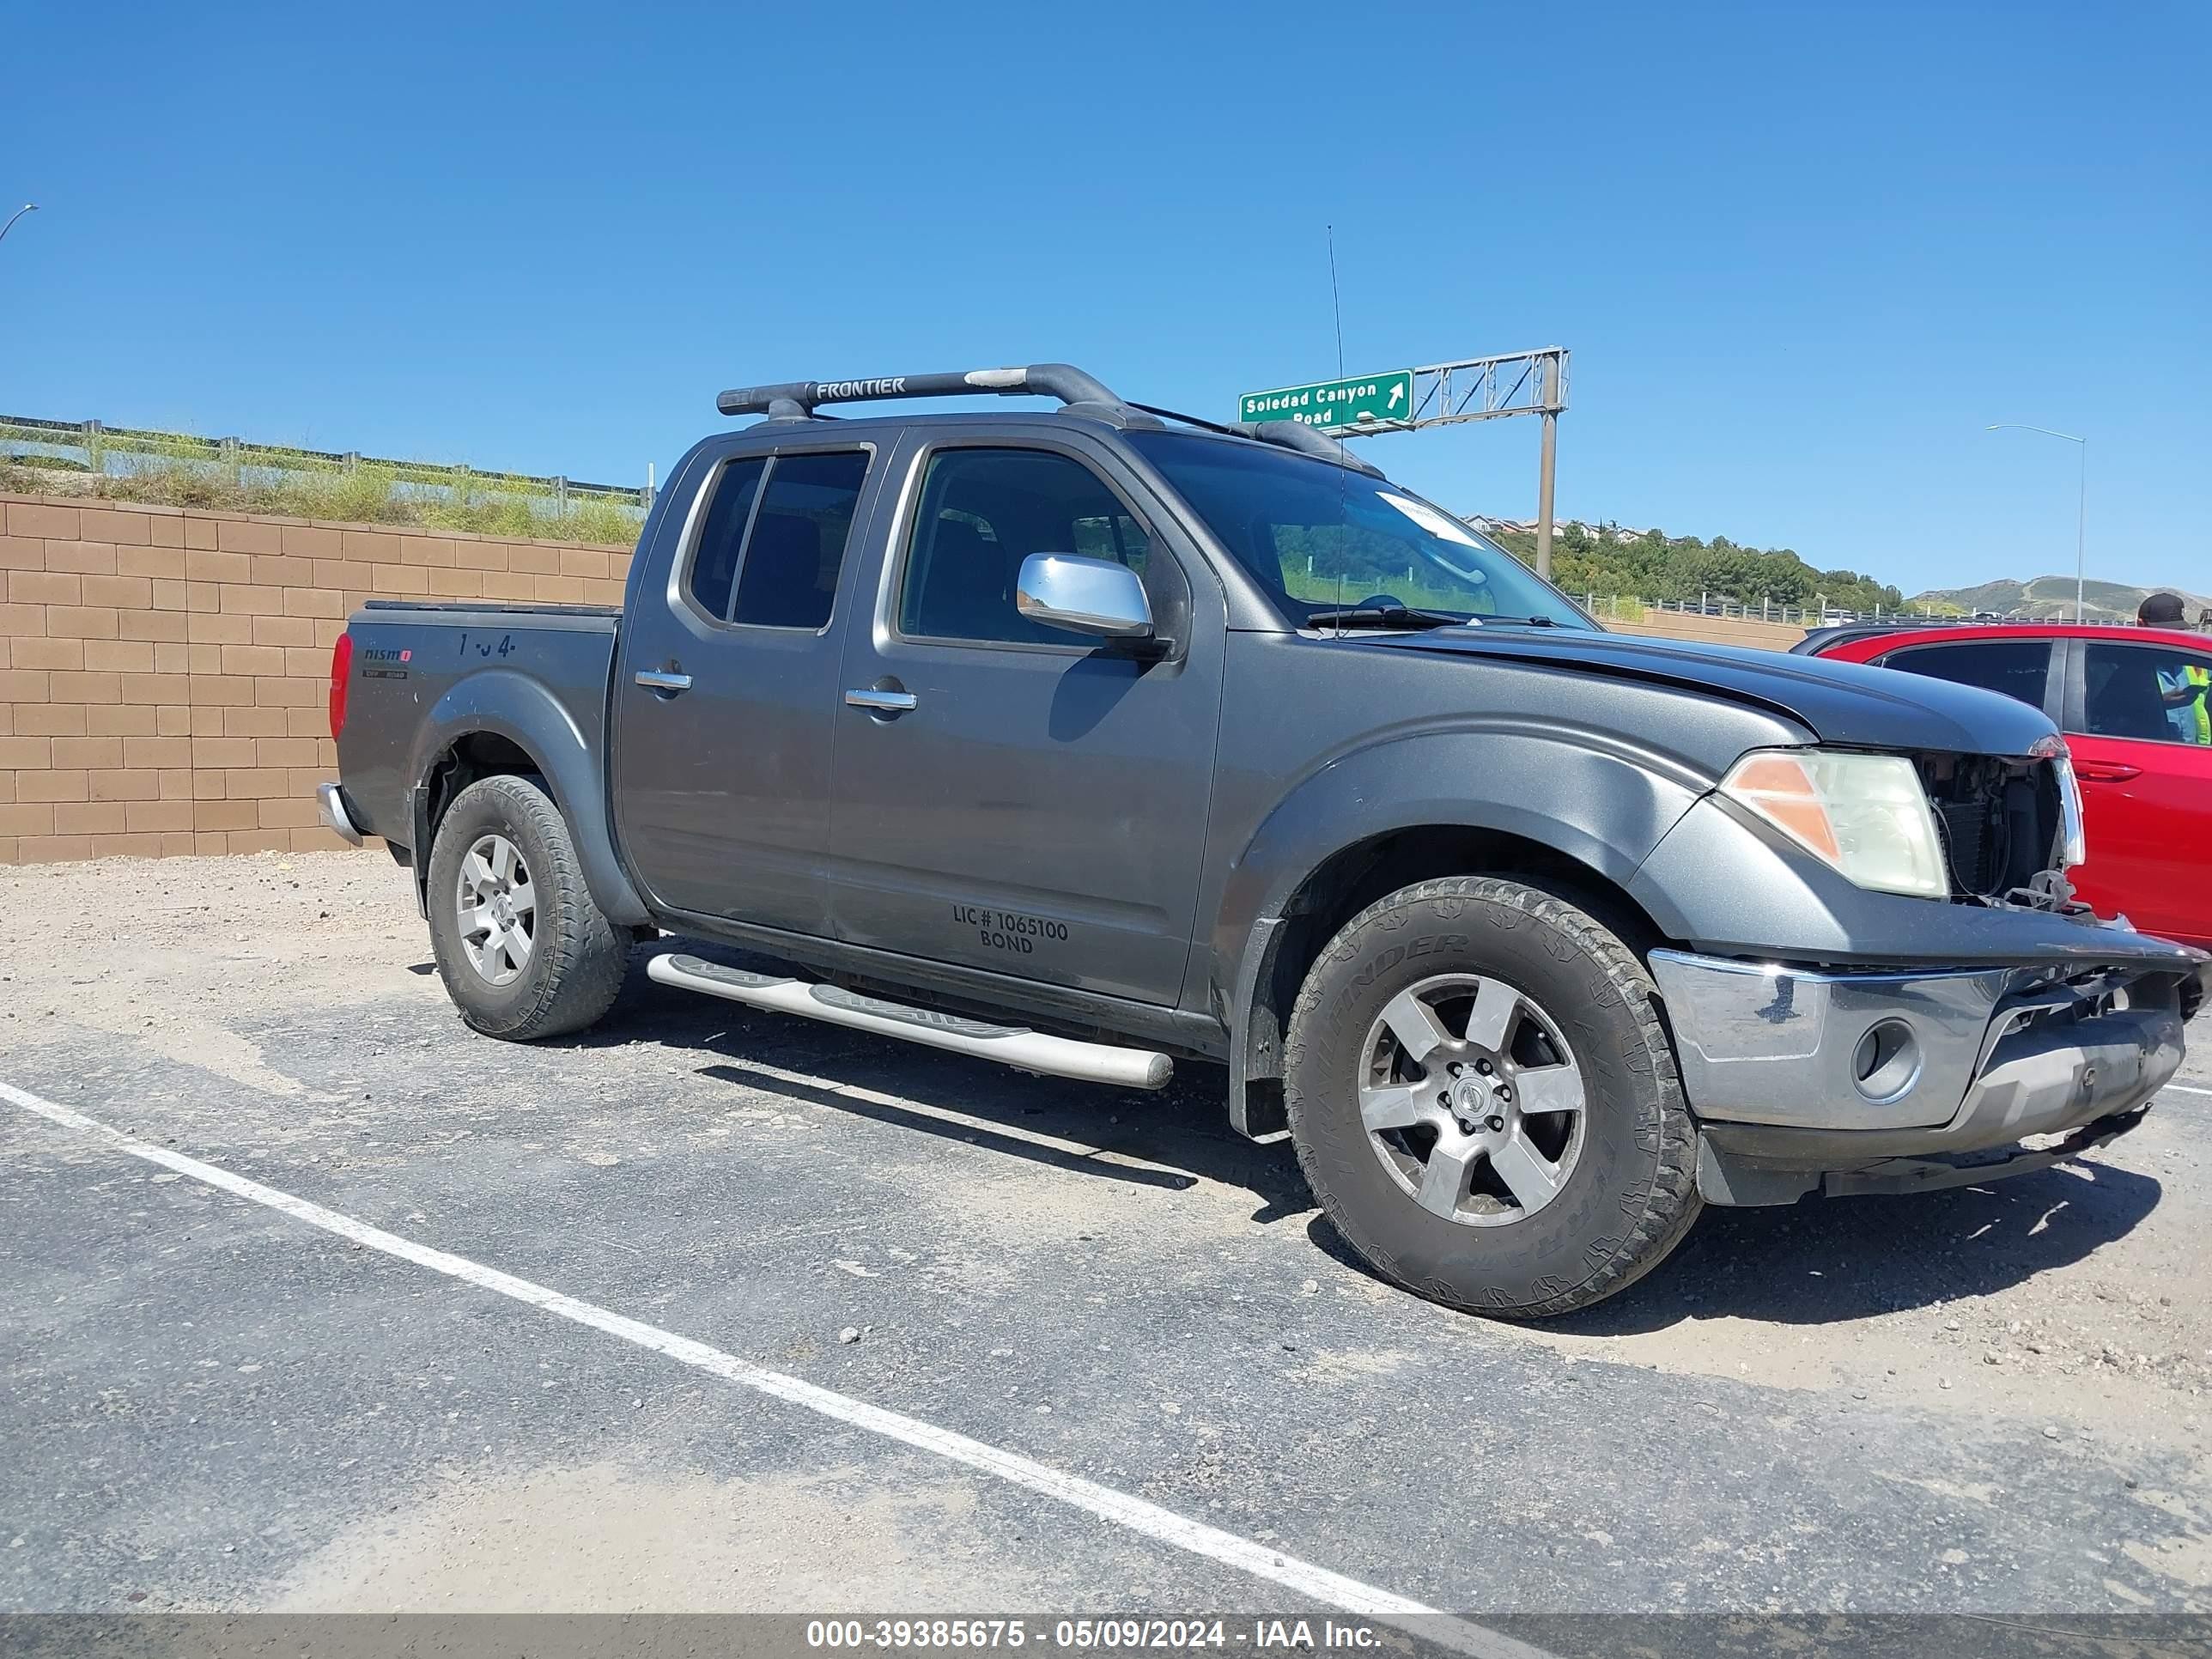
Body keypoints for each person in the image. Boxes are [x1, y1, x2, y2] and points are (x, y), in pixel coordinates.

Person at [2137, 592, 2210, 744]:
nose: (2169, 635)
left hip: (2195, 750)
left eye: (2177, 629)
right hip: (2150, 752)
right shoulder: (2124, 663)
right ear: (2141, 624)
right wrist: (2157, 702)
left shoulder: (2194, 660)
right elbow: (2109, 710)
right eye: (2161, 629)